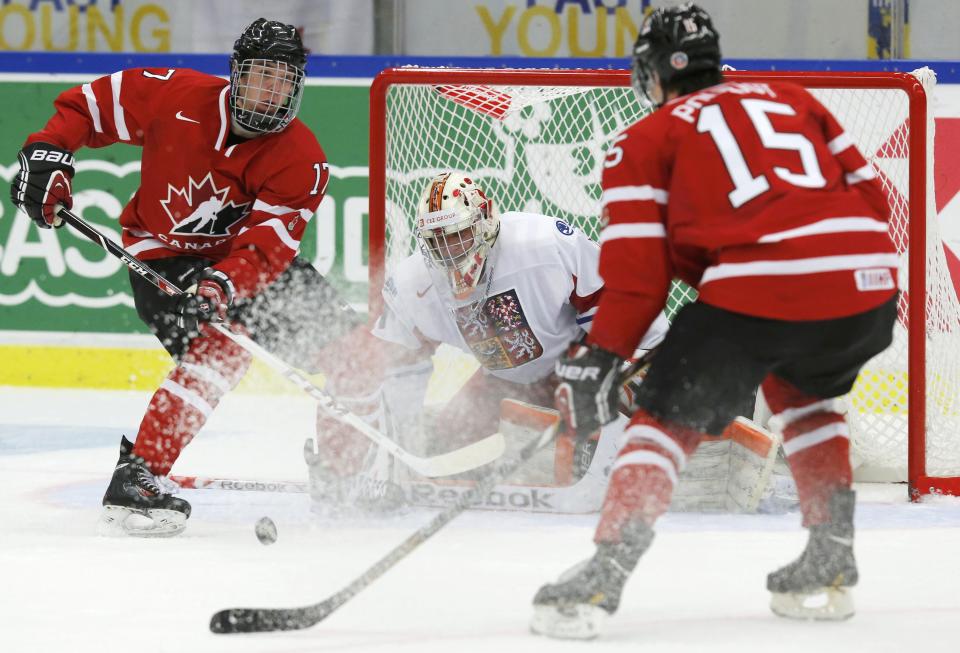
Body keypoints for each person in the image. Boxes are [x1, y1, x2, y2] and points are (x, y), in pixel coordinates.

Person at [531, 2, 899, 639]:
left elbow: (640, 276)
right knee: (802, 397)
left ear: (655, 72)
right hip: (867, 286)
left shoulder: (644, 140)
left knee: (662, 420)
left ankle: (603, 575)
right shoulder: (794, 101)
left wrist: (598, 358)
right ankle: (830, 556)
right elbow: (870, 195)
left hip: (763, 292)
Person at [9, 18, 361, 537]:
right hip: (162, 256)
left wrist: (222, 284)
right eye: (261, 76)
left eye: (283, 80)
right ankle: (139, 477)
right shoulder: (175, 95)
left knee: (355, 354)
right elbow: (88, 106)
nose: (270, 92)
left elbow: (264, 250)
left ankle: (345, 476)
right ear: (236, 74)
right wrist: (50, 151)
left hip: (239, 265)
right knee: (223, 347)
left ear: (297, 88)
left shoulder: (302, 159)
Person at [304, 171, 669, 510]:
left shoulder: (542, 243)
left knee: (631, 403)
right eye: (437, 241)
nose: (449, 252)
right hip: (505, 381)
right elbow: (392, 373)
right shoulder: (415, 284)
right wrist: (388, 451)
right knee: (449, 437)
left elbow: (617, 302)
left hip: (579, 364)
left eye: (458, 235)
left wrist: (624, 371)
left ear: (486, 220)